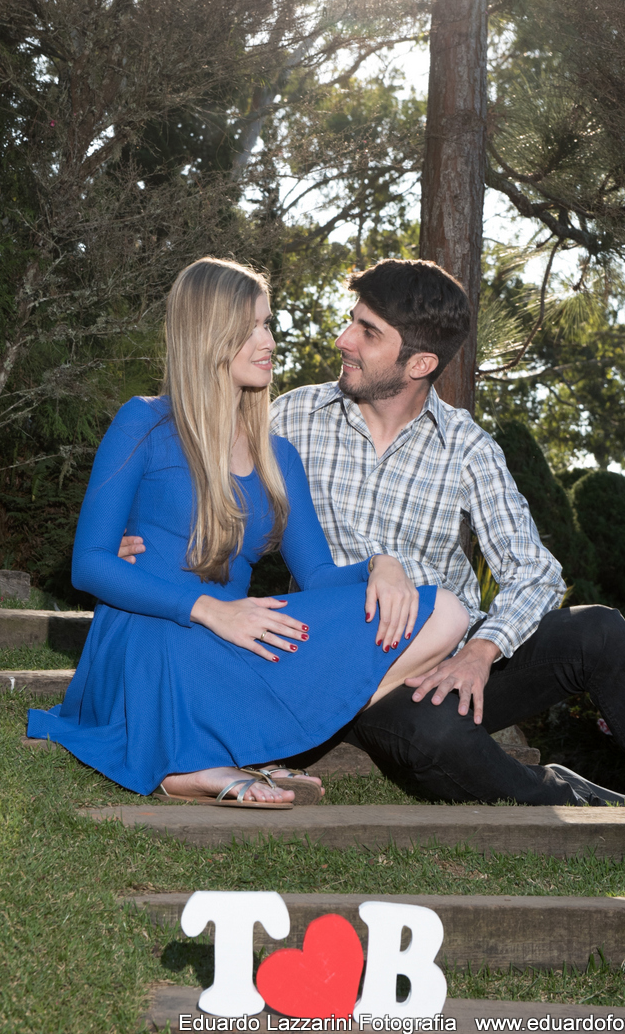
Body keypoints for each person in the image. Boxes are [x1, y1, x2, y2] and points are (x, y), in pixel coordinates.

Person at [120, 257, 625, 872]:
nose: (343, 341)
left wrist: (480, 654)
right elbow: (199, 491)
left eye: (367, 332)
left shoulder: (466, 446)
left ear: (420, 364)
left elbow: (535, 571)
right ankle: (576, 805)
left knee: (600, 630)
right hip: (357, 676)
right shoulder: (291, 419)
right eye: (351, 322)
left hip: (457, 660)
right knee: (432, 737)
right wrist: (140, 540)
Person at [27, 258, 470, 807]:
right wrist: (209, 609)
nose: (269, 341)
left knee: (447, 610)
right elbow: (90, 563)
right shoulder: (142, 422)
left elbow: (318, 577)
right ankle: (194, 764)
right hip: (153, 630)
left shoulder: (276, 454)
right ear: (209, 335)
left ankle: (256, 734)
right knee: (174, 637)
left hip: (235, 638)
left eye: (268, 324)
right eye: (252, 327)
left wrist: (382, 564)